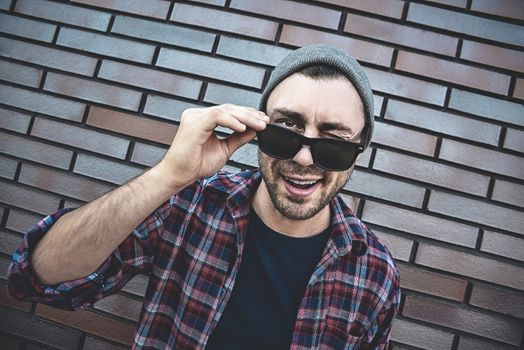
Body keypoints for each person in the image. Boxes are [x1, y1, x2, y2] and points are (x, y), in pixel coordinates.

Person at [8, 45, 400, 349]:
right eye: (285, 130)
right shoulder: (190, 204)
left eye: (333, 145)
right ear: (257, 127)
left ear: (359, 151)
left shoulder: (375, 273)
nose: (302, 158)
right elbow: (37, 279)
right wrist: (168, 176)